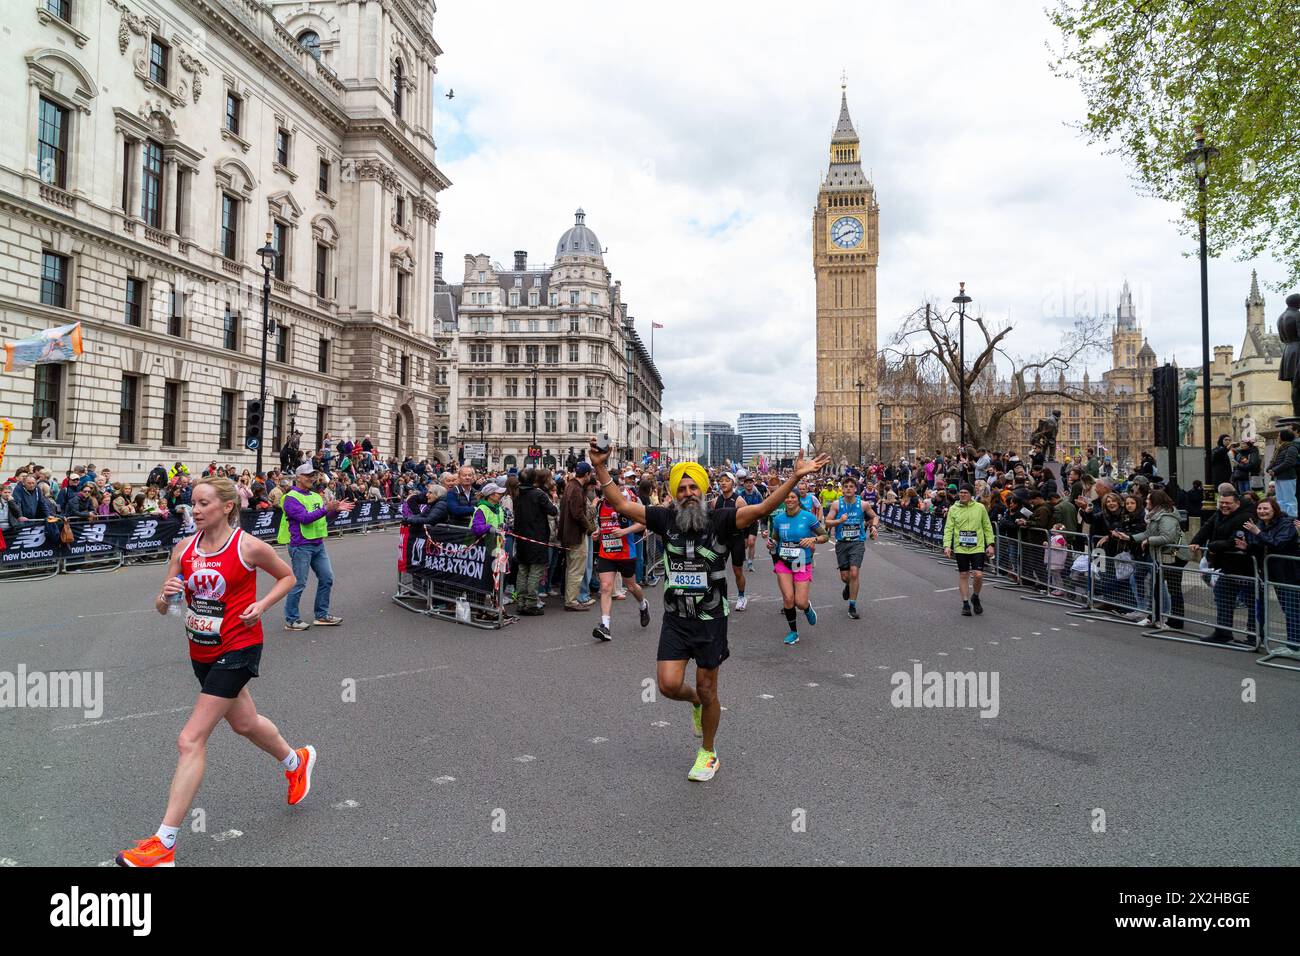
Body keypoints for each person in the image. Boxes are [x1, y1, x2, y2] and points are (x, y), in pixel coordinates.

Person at [587, 439, 829, 782]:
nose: (687, 492)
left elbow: (760, 511)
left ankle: (708, 752)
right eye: (681, 488)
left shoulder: (720, 520)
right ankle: (696, 704)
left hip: (711, 619)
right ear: (674, 492)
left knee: (708, 687)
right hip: (676, 618)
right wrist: (599, 466)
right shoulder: (665, 519)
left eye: (693, 487)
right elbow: (621, 506)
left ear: (702, 490)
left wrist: (793, 479)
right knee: (669, 686)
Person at [115, 477, 307, 867]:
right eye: (193, 503)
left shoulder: (247, 546)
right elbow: (163, 606)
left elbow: (288, 577)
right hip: (200, 648)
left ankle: (164, 844)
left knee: (190, 739)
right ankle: (295, 761)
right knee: (245, 723)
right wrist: (164, 596)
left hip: (239, 647)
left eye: (203, 503)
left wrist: (262, 605)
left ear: (226, 507)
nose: (196, 509)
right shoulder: (183, 549)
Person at [279, 463, 353, 631]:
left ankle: (321, 615)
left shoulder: (315, 496)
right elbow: (305, 518)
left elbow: (323, 521)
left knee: (327, 578)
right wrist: (327, 508)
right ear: (297, 478)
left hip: (318, 544)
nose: (312, 478)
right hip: (300, 546)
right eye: (307, 475)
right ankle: (291, 619)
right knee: (299, 583)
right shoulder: (290, 498)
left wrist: (335, 511)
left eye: (313, 475)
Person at [1189, 484, 1258, 644]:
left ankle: (1253, 637)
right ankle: (1223, 633)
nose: (1224, 506)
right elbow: (1207, 526)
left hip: (1245, 567)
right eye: (1222, 503)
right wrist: (1196, 541)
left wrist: (1214, 546)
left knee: (1252, 603)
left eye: (1228, 503)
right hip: (1227, 566)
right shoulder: (1220, 513)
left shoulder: (1245, 516)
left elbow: (1235, 541)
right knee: (1223, 598)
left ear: (1237, 503)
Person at [590, 472, 650, 642]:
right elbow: (603, 525)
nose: (605, 492)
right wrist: (598, 532)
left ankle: (643, 604)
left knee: (631, 587)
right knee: (606, 587)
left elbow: (642, 523)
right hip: (606, 553)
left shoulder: (626, 505)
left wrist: (625, 531)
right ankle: (605, 626)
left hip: (625, 553)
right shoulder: (601, 505)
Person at [765, 487, 829, 645]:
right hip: (783, 562)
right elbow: (775, 540)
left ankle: (807, 608)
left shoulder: (807, 517)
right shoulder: (779, 519)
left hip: (801, 562)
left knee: (800, 602)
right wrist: (770, 543)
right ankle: (794, 632)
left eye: (793, 497)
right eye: (787, 497)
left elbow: (825, 536)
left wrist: (813, 540)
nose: (789, 500)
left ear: (798, 499)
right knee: (788, 599)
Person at [1242, 497, 1300, 652]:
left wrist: (1258, 532)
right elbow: (1259, 546)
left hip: (1290, 573)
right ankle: (1293, 644)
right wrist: (1247, 547)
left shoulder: (1287, 523)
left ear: (1275, 509)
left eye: (1266, 508)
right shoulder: (1259, 524)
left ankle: (1294, 646)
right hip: (1273, 574)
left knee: (1292, 609)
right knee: (1288, 609)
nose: (1262, 512)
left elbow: (1278, 544)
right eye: (1259, 509)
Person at [824, 475, 878, 619]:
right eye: (846, 487)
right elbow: (827, 522)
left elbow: (875, 516)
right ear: (842, 489)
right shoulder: (836, 504)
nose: (848, 489)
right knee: (845, 577)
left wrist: (873, 527)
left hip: (857, 542)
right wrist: (839, 521)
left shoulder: (863, 504)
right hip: (842, 543)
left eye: (851, 487)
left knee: (854, 573)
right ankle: (848, 585)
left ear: (855, 489)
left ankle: (852, 606)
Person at [943, 483, 996, 616]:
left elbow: (987, 526)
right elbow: (948, 528)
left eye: (965, 492)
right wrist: (947, 545)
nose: (962, 495)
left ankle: (976, 596)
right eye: (961, 492)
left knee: (978, 575)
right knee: (963, 575)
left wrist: (991, 544)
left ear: (971, 494)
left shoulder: (980, 508)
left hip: (977, 546)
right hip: (960, 548)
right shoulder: (953, 508)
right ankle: (966, 603)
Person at [513, 468, 557, 616]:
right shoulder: (538, 494)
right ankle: (531, 603)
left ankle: (521, 601)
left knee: (523, 570)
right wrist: (554, 501)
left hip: (521, 536)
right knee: (535, 571)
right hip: (537, 537)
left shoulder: (517, 494)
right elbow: (553, 511)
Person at [559, 462, 596, 611]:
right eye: (590, 474)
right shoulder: (576, 489)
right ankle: (572, 601)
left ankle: (571, 599)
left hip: (569, 533)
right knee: (576, 569)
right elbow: (577, 513)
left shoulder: (571, 486)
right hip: (575, 534)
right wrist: (590, 527)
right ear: (587, 474)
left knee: (572, 568)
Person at [710, 472, 750, 610]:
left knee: (737, 570)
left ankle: (741, 597)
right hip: (721, 539)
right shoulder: (716, 501)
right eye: (721, 481)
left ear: (733, 483)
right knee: (717, 570)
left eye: (727, 480)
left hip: (736, 538)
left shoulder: (739, 500)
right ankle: (721, 598)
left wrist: (746, 537)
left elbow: (748, 520)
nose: (723, 483)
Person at [1267, 429, 1298, 518]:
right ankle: (1283, 519)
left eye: (1279, 435)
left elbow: (1289, 462)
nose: (1277, 437)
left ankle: (1292, 520)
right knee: (1280, 500)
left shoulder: (1292, 447)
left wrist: (1274, 471)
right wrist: (1269, 469)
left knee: (1290, 500)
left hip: (1288, 477)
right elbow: (1275, 461)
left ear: (1284, 437)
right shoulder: (1281, 448)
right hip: (1279, 477)